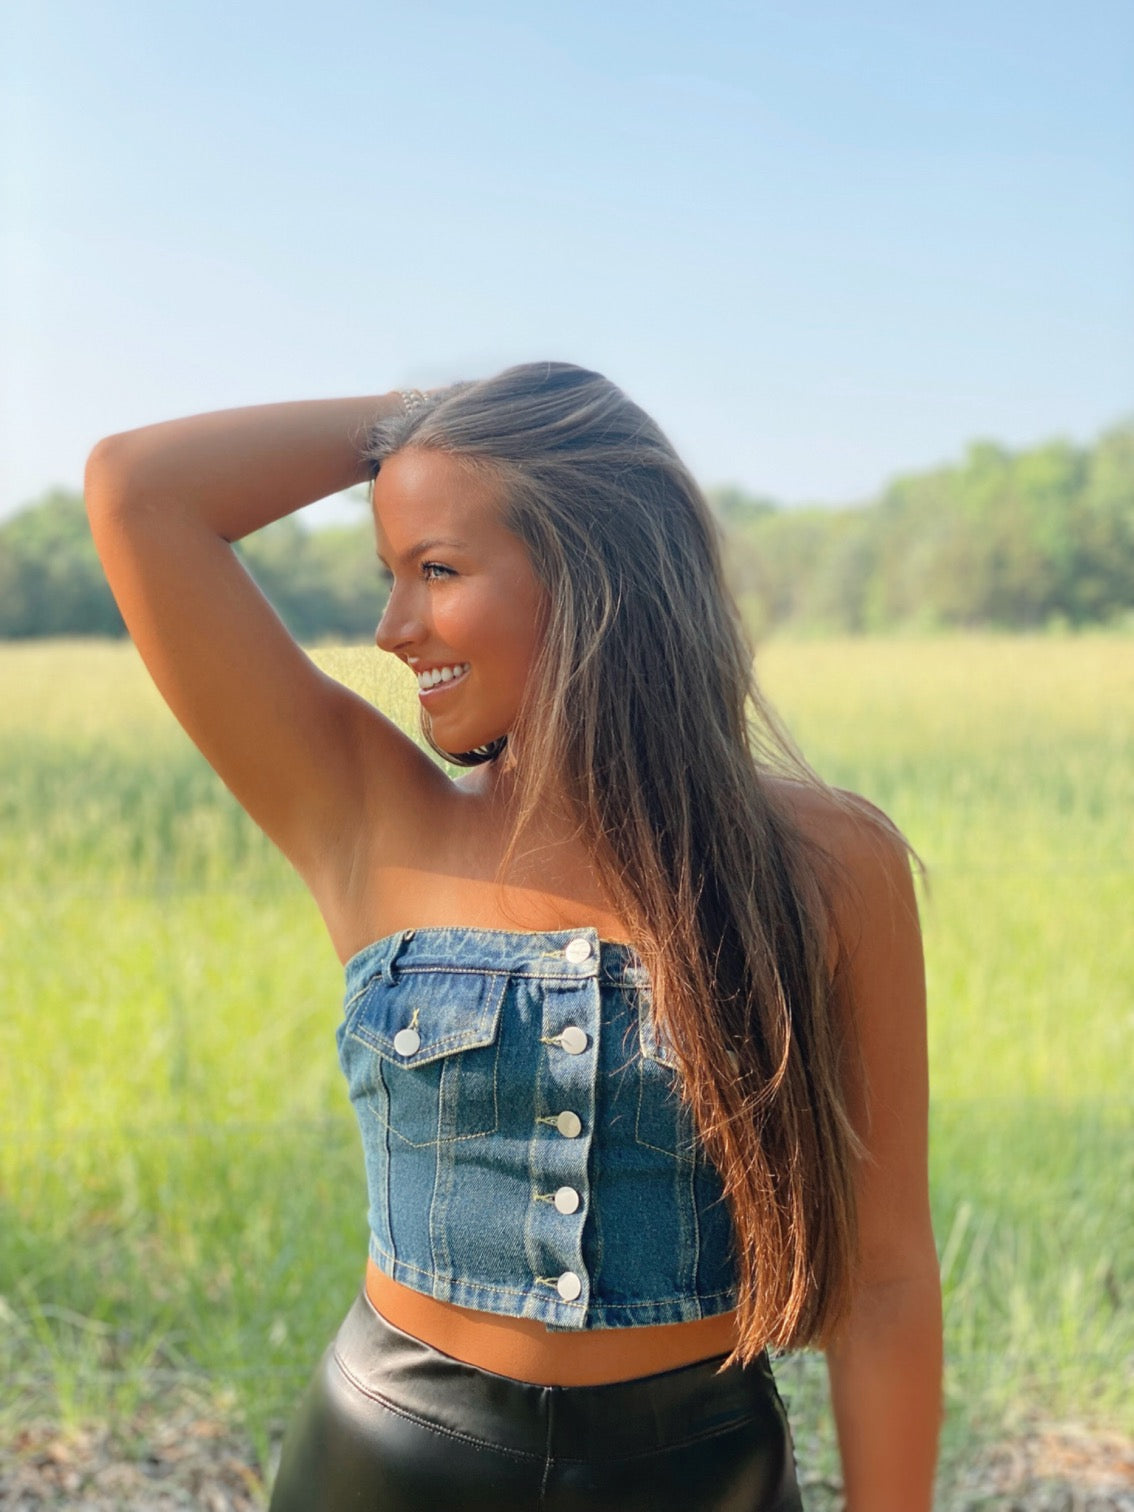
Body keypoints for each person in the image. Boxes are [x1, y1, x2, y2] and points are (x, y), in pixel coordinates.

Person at [85, 362, 942, 1510]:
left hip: (700, 1476)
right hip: (387, 1466)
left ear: (598, 573)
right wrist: (428, 420)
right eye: (389, 574)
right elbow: (138, 489)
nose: (393, 629)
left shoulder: (832, 866)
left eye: (435, 570)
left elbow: (883, 1282)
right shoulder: (370, 819)